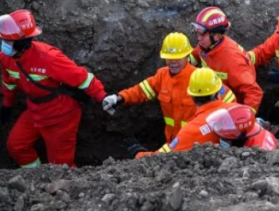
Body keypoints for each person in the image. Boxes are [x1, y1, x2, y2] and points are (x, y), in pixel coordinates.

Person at [0, 10, 107, 168]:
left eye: (8, 41)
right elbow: (8, 83)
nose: (4, 44)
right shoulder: (5, 58)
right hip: (35, 110)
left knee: (60, 167)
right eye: (4, 39)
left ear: (23, 42)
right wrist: (7, 105)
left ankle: (63, 189)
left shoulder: (48, 57)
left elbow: (83, 78)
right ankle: (37, 178)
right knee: (17, 146)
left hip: (61, 116)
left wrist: (103, 97)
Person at [101, 33, 236, 143]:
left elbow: (229, 100)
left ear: (187, 56)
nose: (173, 62)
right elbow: (142, 90)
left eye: (178, 58)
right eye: (169, 58)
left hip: (196, 145)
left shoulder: (200, 78)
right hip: (172, 142)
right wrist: (119, 98)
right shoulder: (162, 75)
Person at [127, 68, 237, 158]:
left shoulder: (191, 131)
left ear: (192, 97)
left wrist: (138, 153)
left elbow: (164, 157)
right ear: (218, 93)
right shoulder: (238, 112)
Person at [189, 7, 263, 112]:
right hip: (213, 99)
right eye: (197, 33)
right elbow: (195, 56)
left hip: (230, 109)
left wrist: (245, 119)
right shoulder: (206, 45)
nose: (198, 38)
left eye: (202, 34)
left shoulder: (233, 60)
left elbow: (254, 92)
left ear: (217, 36)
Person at [205, 104, 277, 150]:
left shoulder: (256, 153)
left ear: (240, 138)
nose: (222, 140)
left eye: (225, 138)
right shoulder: (252, 127)